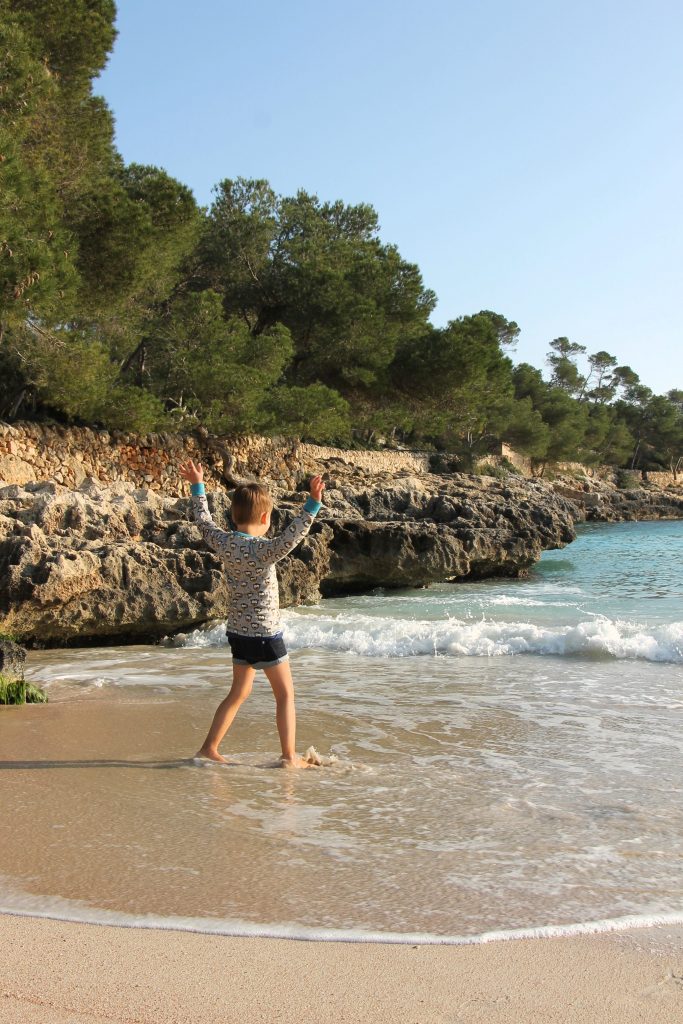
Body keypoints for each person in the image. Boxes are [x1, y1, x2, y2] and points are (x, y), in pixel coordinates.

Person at [178, 458, 325, 768]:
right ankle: (288, 756)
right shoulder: (263, 550)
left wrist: (197, 485)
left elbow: (203, 521)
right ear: (265, 516)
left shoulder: (224, 543)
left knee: (238, 693)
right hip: (266, 635)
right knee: (285, 695)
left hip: (238, 634)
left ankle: (209, 747)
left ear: (232, 517)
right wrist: (312, 504)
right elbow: (292, 537)